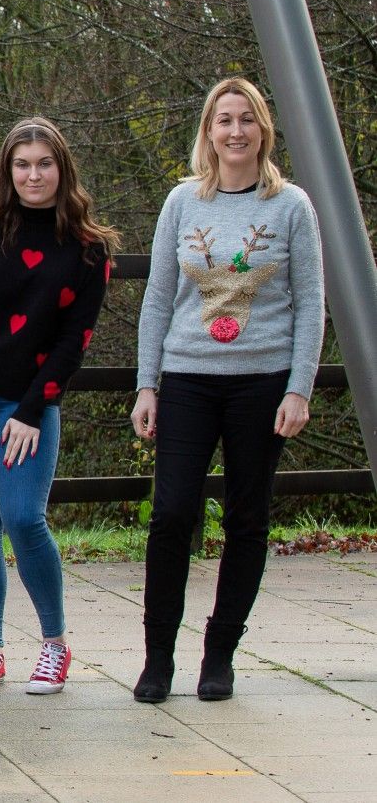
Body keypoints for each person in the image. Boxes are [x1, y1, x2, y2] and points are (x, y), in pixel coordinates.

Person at [130, 77, 323, 703]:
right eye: (223, 120)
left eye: (246, 120)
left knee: (247, 518)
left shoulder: (291, 205)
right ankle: (159, 656)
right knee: (172, 515)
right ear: (208, 132)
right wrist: (146, 384)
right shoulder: (182, 202)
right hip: (187, 380)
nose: (235, 132)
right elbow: (159, 296)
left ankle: (220, 654)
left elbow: (311, 303)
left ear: (263, 129)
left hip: (262, 385)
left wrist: (299, 388)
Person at [0, 117, 117, 695]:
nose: (33, 175)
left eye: (43, 163)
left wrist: (32, 412)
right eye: (22, 164)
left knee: (23, 518)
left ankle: (54, 644)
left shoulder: (89, 251)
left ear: (62, 168)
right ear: (6, 173)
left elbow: (72, 342)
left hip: (29, 403)